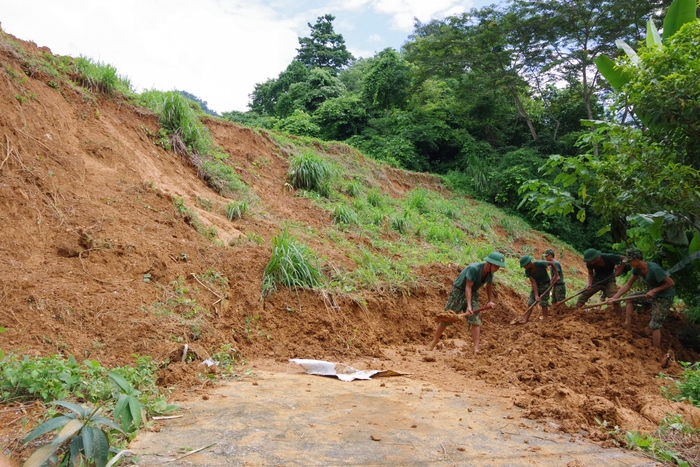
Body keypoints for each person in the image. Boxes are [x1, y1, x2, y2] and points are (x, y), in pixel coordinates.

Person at [428, 251, 506, 354]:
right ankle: (435, 339)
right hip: (459, 292)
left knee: (475, 320)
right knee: (447, 317)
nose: (498, 269)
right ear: (489, 263)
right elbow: (467, 287)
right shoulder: (474, 269)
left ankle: (476, 349)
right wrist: (469, 306)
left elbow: (488, 286)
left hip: (472, 293)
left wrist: (489, 301)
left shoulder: (490, 274)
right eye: (497, 266)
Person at [608, 248, 675, 348]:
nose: (629, 263)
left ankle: (655, 350)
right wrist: (614, 297)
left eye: (630, 261)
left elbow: (671, 283)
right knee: (629, 298)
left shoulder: (654, 269)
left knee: (655, 324)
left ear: (636, 260)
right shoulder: (637, 269)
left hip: (664, 296)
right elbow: (628, 284)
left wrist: (654, 290)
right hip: (651, 293)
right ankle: (627, 324)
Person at [517, 255, 560, 323]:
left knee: (543, 303)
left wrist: (556, 275)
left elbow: (552, 263)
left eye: (525, 266)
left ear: (529, 264)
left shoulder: (540, 263)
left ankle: (545, 319)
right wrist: (536, 295)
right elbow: (533, 282)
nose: (524, 268)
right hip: (537, 285)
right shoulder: (527, 271)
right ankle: (525, 319)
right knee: (530, 302)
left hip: (545, 284)